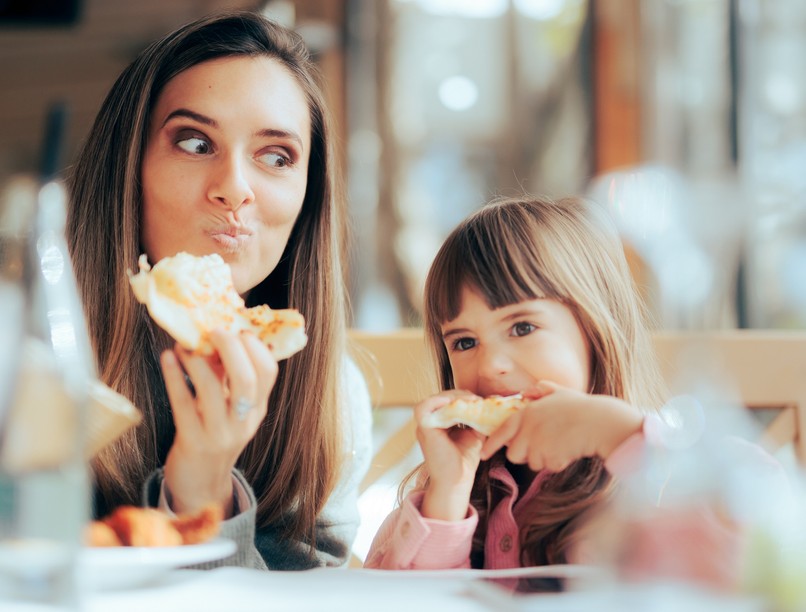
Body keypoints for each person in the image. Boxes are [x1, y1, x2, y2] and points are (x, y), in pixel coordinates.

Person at [65, 10, 371, 570]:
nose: (234, 188)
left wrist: (203, 495)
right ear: (127, 167)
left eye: (276, 157)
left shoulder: (333, 396)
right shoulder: (29, 360)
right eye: (194, 143)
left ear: (308, 196)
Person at [363, 195, 782, 587]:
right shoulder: (441, 501)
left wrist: (621, 435)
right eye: (465, 342)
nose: (490, 366)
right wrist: (448, 497)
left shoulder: (681, 467)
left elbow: (768, 567)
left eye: (522, 327)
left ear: (595, 332)